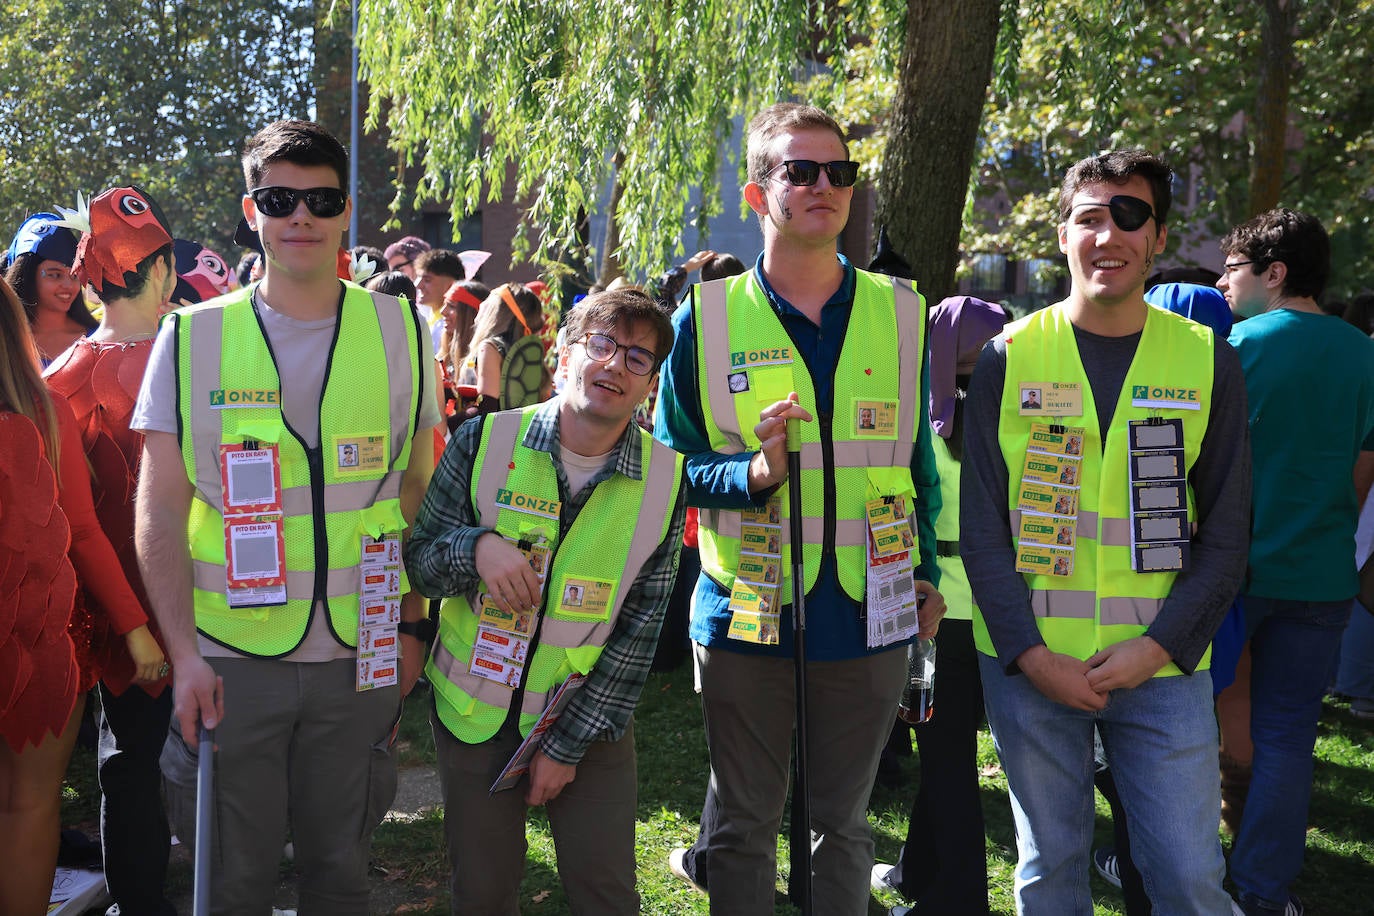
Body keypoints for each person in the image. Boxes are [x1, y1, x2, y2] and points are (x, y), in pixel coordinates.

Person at [132, 120, 439, 915]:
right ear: (252, 211)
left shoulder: (403, 332)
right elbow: (159, 509)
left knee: (341, 878)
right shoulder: (190, 337)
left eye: (321, 200)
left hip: (360, 655)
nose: (301, 216)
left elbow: (419, 494)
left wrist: (411, 628)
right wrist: (183, 656)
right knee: (233, 883)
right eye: (279, 200)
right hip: (232, 661)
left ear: (345, 212)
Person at [655, 102, 944, 914]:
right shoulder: (705, 318)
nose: (825, 186)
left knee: (843, 826)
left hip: (872, 609)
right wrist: (751, 472)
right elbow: (667, 473)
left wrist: (924, 572)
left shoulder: (902, 311)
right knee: (743, 826)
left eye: (840, 172)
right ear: (757, 194)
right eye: (801, 171)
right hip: (745, 611)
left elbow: (917, 466)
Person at [961, 150, 1250, 915]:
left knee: (1189, 877)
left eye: (1130, 217)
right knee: (1048, 874)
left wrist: (1156, 648)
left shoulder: (1207, 361)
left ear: (1158, 238)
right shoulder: (1007, 357)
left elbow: (1227, 535)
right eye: (1090, 217)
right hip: (1033, 668)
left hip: (1163, 668)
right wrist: (1032, 656)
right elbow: (981, 527)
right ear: (1062, 234)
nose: (1108, 235)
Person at [405, 288, 686, 914]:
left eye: (637, 357)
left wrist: (567, 744)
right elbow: (420, 564)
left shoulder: (666, 481)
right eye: (602, 344)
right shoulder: (482, 441)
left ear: (651, 384)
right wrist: (475, 548)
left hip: (584, 712)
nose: (615, 365)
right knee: (483, 893)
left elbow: (639, 632)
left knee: (606, 893)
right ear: (564, 353)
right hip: (475, 712)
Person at [1218, 208, 1374, 916]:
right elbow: (1361, 474)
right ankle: (1261, 891)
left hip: (1233, 574)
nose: (1224, 282)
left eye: (1234, 268)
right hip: (1322, 572)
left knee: (1191, 723)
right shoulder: (1364, 353)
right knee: (1287, 737)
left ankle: (1181, 868)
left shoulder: (1233, 346)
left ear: (1274, 272)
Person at [0, 274, 162, 916]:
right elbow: (85, 531)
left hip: (45, 632)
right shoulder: (44, 410)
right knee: (29, 803)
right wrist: (135, 629)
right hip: (43, 636)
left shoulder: (49, 408)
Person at [45, 185, 182, 916]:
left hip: (112, 610)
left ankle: (142, 902)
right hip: (215, 597)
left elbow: (73, 525)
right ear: (160, 269)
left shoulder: (55, 380)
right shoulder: (202, 357)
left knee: (127, 765)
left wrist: (127, 622)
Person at [871, 295, 1008, 916]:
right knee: (947, 751)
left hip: (934, 612)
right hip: (1003, 611)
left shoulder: (921, 423)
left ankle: (957, 901)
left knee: (946, 759)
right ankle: (917, 871)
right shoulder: (1022, 414)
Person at [5, 213, 97, 365]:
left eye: (74, 276)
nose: (68, 285)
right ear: (27, 276)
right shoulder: (6, 342)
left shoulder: (99, 340)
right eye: (55, 275)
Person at [464, 282, 546, 410]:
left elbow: (488, 409)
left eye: (489, 299)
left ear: (497, 310)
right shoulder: (528, 352)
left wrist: (452, 419)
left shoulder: (490, 348)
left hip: (502, 423)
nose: (481, 304)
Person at [413, 248, 466, 353]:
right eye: (418, 278)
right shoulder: (423, 318)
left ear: (451, 284)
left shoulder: (455, 326)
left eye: (427, 280)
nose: (418, 285)